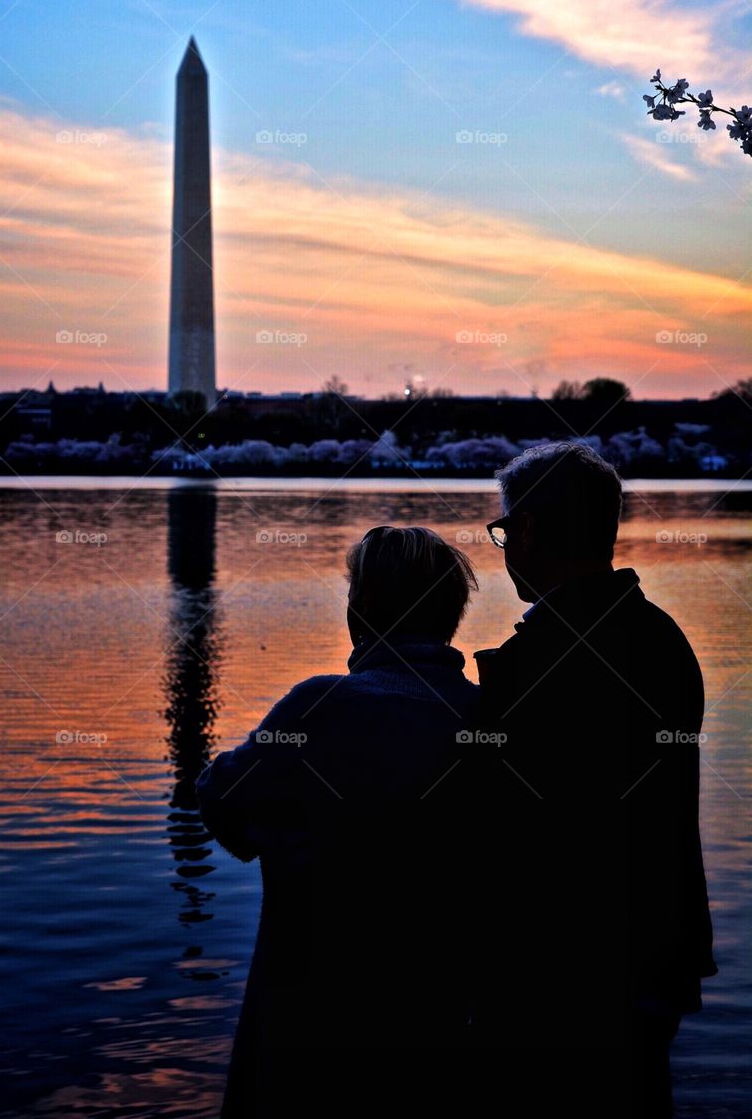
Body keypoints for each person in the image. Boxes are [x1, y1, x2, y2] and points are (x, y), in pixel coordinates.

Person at [197, 525, 479, 1118]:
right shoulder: (487, 717)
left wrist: (283, 838)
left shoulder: (321, 708)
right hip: (440, 1016)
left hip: (309, 1014)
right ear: (451, 614)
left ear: (361, 612)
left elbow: (220, 798)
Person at [471, 441, 716, 1117]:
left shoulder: (542, 661)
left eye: (502, 531)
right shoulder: (661, 637)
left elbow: (501, 818)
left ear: (527, 530)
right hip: (654, 951)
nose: (502, 548)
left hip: (564, 971)